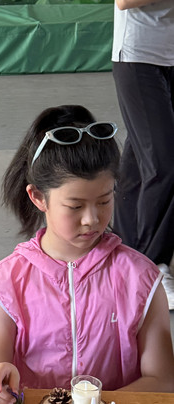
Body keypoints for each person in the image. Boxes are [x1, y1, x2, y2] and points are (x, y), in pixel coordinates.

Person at [0, 105, 174, 404]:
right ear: (38, 197)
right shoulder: (7, 281)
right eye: (75, 206)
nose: (92, 219)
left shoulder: (141, 278)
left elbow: (163, 380)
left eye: (104, 201)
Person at [111, 0, 174, 310]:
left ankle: (122, 252)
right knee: (164, 165)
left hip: (169, 55)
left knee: (138, 165)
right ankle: (152, 268)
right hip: (139, 57)